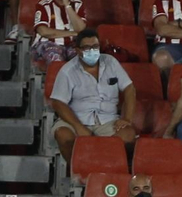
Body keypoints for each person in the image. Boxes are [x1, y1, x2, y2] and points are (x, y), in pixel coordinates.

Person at [48, 28, 138, 167]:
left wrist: (127, 119)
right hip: (77, 119)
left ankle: (107, 169)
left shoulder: (111, 62)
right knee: (63, 136)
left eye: (95, 47)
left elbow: (129, 88)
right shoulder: (67, 71)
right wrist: (78, 127)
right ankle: (79, 171)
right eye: (87, 48)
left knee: (128, 135)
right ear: (78, 50)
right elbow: (58, 103)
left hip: (108, 119)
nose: (92, 51)